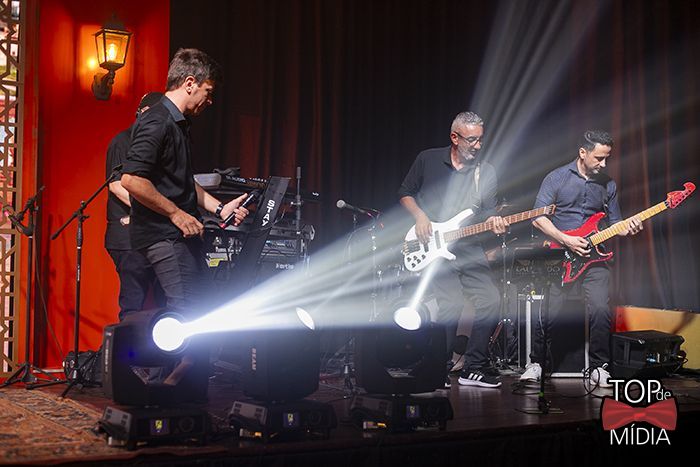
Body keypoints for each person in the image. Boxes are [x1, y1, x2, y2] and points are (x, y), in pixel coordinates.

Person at [121, 48, 249, 317]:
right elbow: (131, 179)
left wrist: (220, 208)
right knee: (188, 315)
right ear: (190, 83)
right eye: (208, 91)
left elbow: (182, 182)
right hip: (165, 236)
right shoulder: (158, 120)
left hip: (177, 236)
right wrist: (176, 214)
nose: (210, 100)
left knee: (203, 310)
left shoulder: (178, 124)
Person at [523, 130, 642, 388]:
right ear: (582, 153)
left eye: (607, 158)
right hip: (561, 255)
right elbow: (537, 218)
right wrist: (566, 239)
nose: (604, 164)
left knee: (600, 307)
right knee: (549, 309)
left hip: (594, 258)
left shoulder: (608, 185)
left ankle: (599, 367)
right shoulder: (556, 178)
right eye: (599, 158)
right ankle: (536, 363)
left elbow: (616, 223)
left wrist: (629, 227)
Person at [398, 111, 508, 389]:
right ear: (454, 137)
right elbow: (405, 192)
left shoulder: (486, 171)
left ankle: (474, 366)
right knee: (450, 304)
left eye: (480, 139)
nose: (478, 146)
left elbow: (487, 211)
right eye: (472, 140)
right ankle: (438, 366)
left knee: (490, 300)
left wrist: (494, 222)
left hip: (469, 246)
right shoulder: (428, 159)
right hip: (433, 245)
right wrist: (420, 217)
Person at [105, 92, 165, 321]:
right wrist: (154, 210)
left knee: (166, 305)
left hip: (153, 233)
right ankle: (129, 345)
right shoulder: (123, 141)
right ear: (143, 113)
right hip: (127, 238)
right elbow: (116, 185)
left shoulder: (158, 145)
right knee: (133, 303)